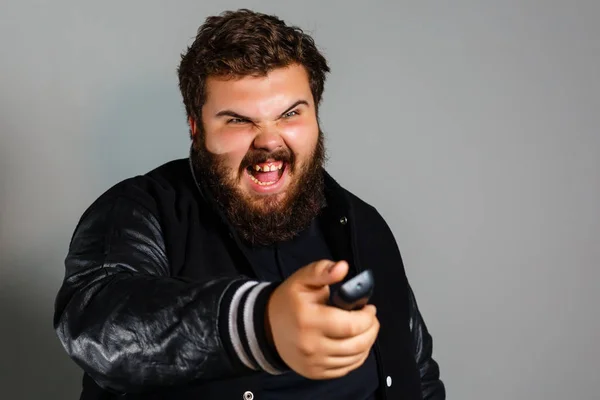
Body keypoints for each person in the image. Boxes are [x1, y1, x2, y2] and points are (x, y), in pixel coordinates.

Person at [53, 8, 445, 400]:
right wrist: (263, 324)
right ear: (196, 127)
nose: (269, 141)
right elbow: (96, 327)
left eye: (290, 114)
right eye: (239, 121)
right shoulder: (138, 210)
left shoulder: (361, 223)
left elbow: (419, 375)